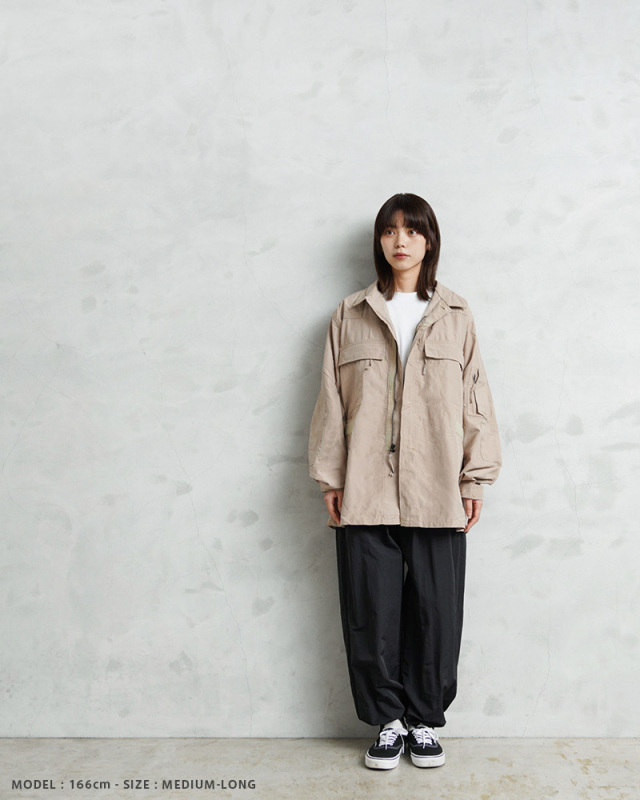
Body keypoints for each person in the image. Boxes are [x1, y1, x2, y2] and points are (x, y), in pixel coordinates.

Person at [308, 193, 502, 770]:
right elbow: (331, 402)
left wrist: (475, 478)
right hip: (365, 485)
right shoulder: (350, 315)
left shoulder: (456, 315)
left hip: (437, 486)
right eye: (390, 230)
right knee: (371, 609)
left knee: (436, 611)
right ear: (379, 241)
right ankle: (388, 722)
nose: (400, 241)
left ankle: (423, 720)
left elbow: (476, 401)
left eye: (412, 231)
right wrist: (330, 477)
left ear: (428, 241)